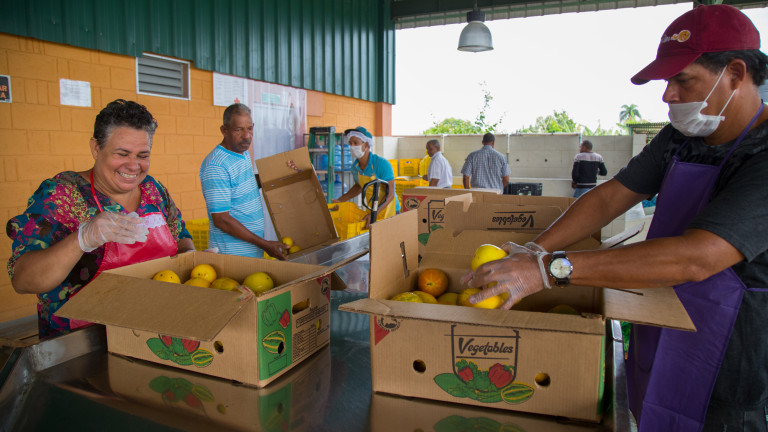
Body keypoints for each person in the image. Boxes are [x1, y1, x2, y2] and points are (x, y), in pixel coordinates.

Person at [462, 5, 768, 431]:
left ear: (735, 73)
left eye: (683, 80)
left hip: (727, 352)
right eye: (666, 82)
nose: (668, 96)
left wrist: (548, 270)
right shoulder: (681, 138)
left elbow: (697, 257)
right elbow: (610, 198)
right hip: (659, 324)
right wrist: (534, 250)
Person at [6, 99, 195, 338]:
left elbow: (181, 238)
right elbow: (23, 280)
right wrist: (82, 239)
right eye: (122, 153)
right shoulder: (61, 195)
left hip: (152, 328)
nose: (133, 165)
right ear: (96, 148)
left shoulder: (153, 190)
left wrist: (192, 262)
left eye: (143, 155)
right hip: (83, 342)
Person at [200, 103, 287, 260]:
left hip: (251, 252)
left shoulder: (241, 152)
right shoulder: (216, 165)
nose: (247, 136)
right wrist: (265, 244)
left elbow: (244, 184)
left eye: (249, 128)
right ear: (224, 130)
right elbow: (221, 220)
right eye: (238, 130)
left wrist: (282, 175)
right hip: (232, 257)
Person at [333, 126, 399, 226]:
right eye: (350, 143)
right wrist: (340, 200)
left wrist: (375, 213)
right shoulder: (355, 167)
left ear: (366, 145)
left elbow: (390, 193)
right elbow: (359, 186)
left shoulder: (381, 164)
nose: (352, 146)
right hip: (372, 210)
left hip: (390, 211)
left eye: (356, 143)